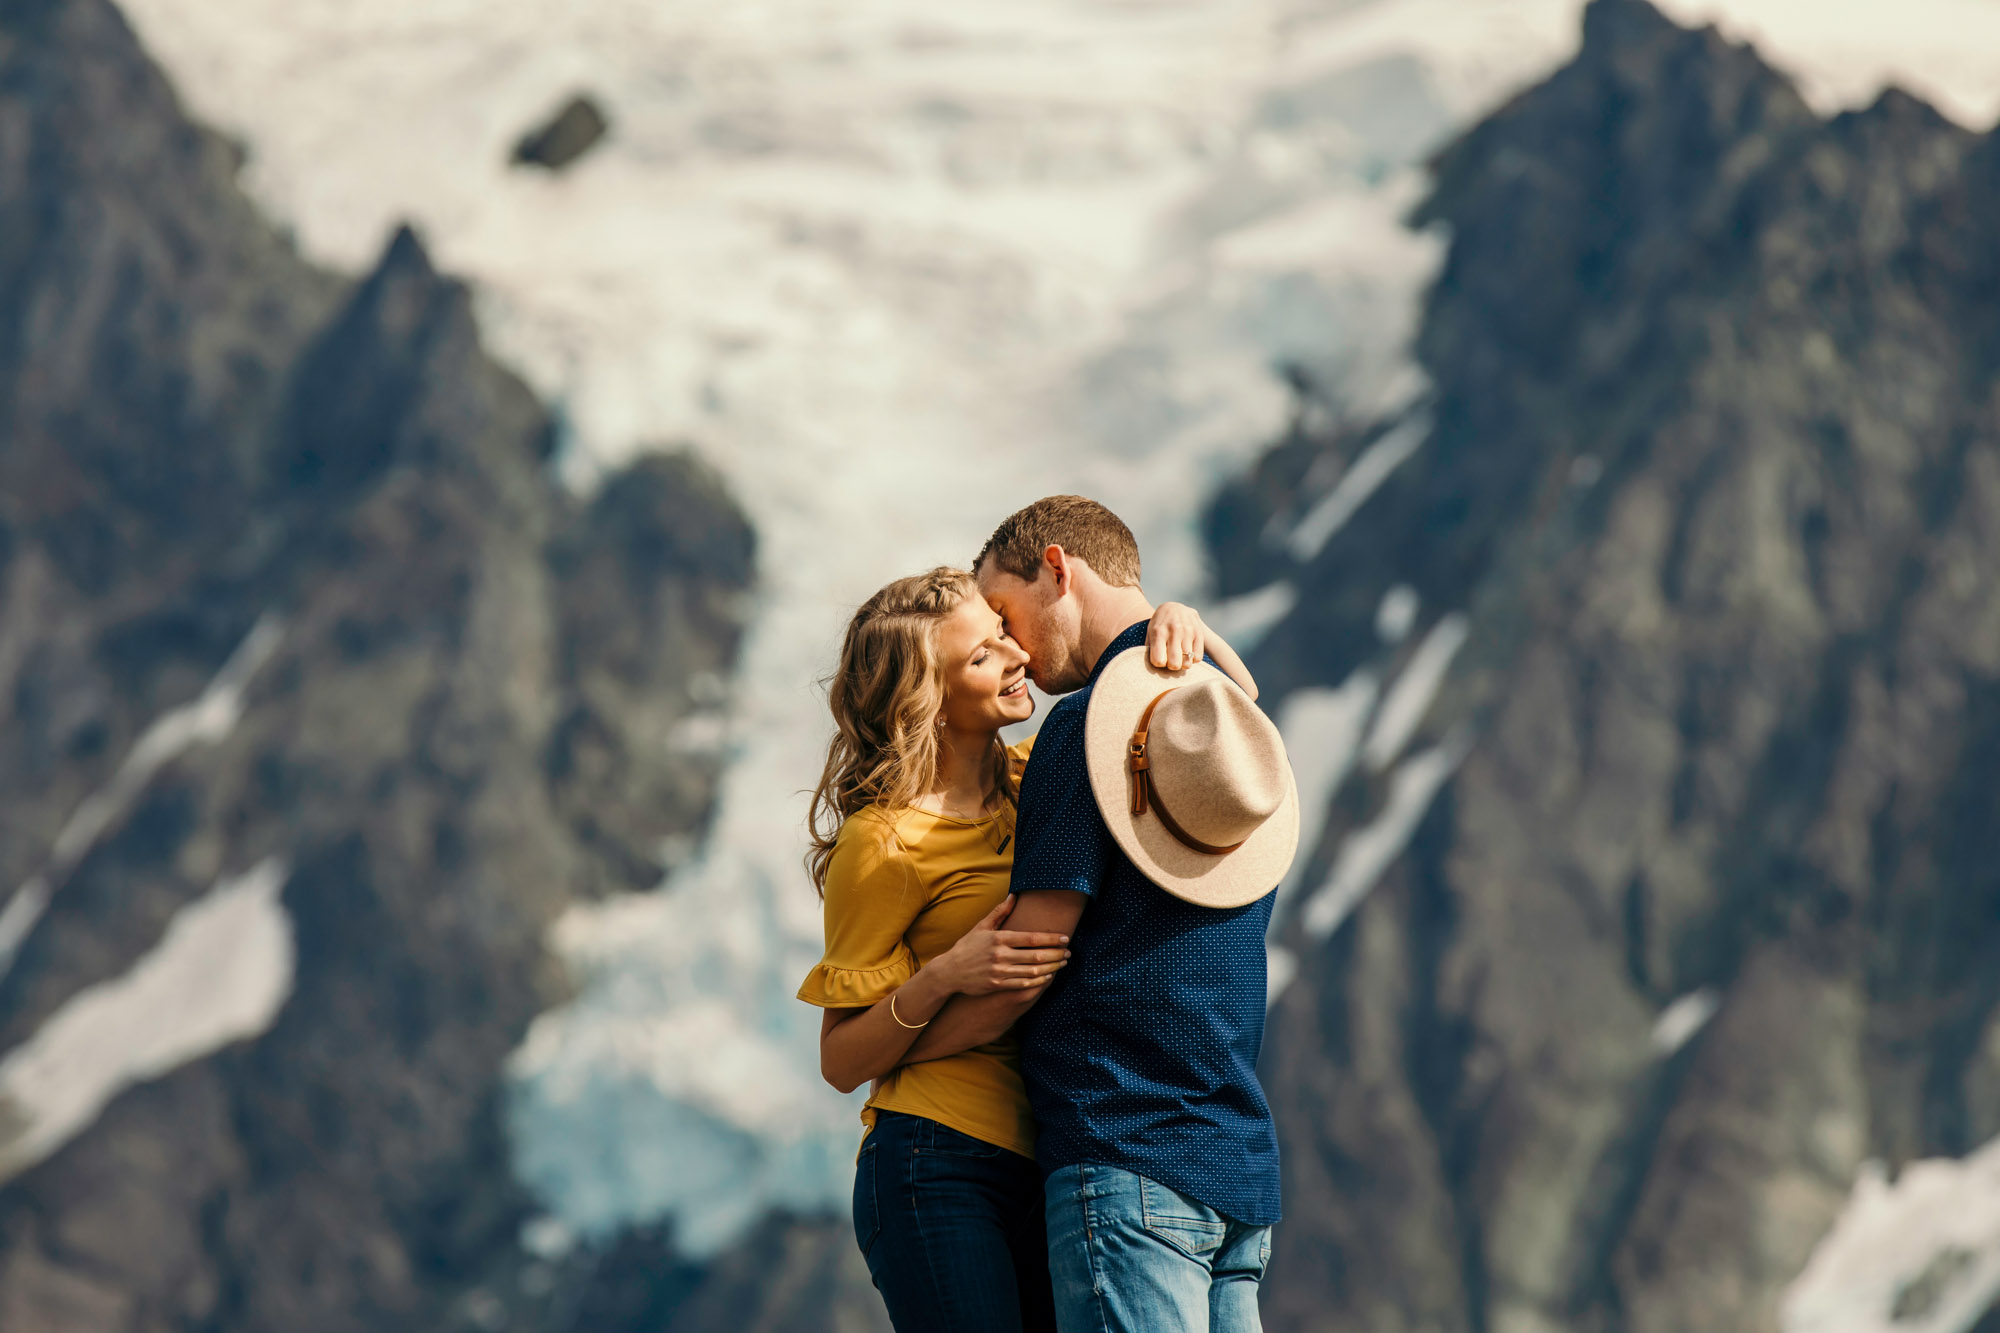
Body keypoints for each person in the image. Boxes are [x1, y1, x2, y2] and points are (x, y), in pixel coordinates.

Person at [798, 566, 1258, 1333]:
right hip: (935, 1165)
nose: (1016, 656)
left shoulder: (1044, 768)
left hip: (1047, 1162)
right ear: (929, 701)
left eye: (1003, 632)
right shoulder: (882, 842)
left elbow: (1239, 711)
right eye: (981, 656)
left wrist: (1174, 624)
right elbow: (842, 1059)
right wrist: (945, 974)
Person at [910, 495, 1299, 1333]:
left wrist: (910, 1040)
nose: (1011, 647)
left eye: (1007, 614)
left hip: (1125, 1154)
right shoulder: (1228, 722)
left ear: (1058, 569)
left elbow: (1029, 959)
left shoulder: (1085, 730)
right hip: (1234, 1169)